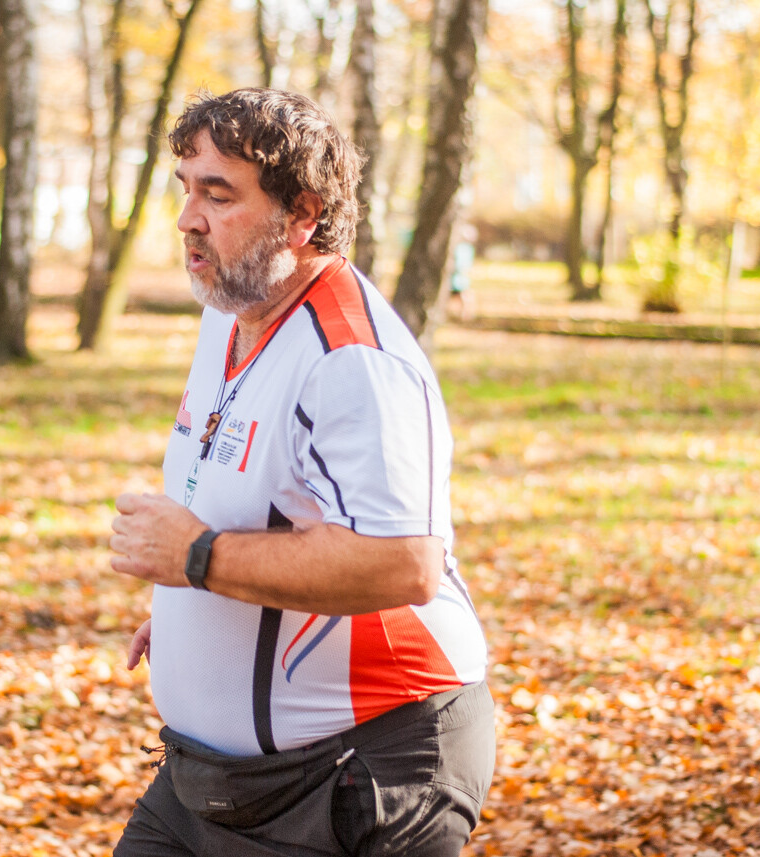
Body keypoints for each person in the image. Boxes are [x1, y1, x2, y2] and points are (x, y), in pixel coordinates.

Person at [109, 88, 493, 857]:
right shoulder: (229, 311)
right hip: (207, 782)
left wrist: (199, 558)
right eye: (186, 188)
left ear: (302, 214)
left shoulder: (354, 359)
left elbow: (403, 562)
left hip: (362, 774)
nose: (189, 218)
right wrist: (198, 617)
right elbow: (266, 497)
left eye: (218, 194)